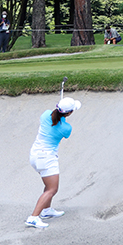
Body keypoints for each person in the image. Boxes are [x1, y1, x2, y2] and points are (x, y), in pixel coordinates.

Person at [26, 96, 80, 228]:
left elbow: (53, 116)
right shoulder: (66, 128)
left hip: (35, 155)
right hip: (46, 158)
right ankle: (33, 217)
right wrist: (63, 117)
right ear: (69, 113)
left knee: (48, 186)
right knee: (52, 189)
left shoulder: (45, 115)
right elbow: (62, 130)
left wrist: (61, 112)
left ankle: (46, 210)